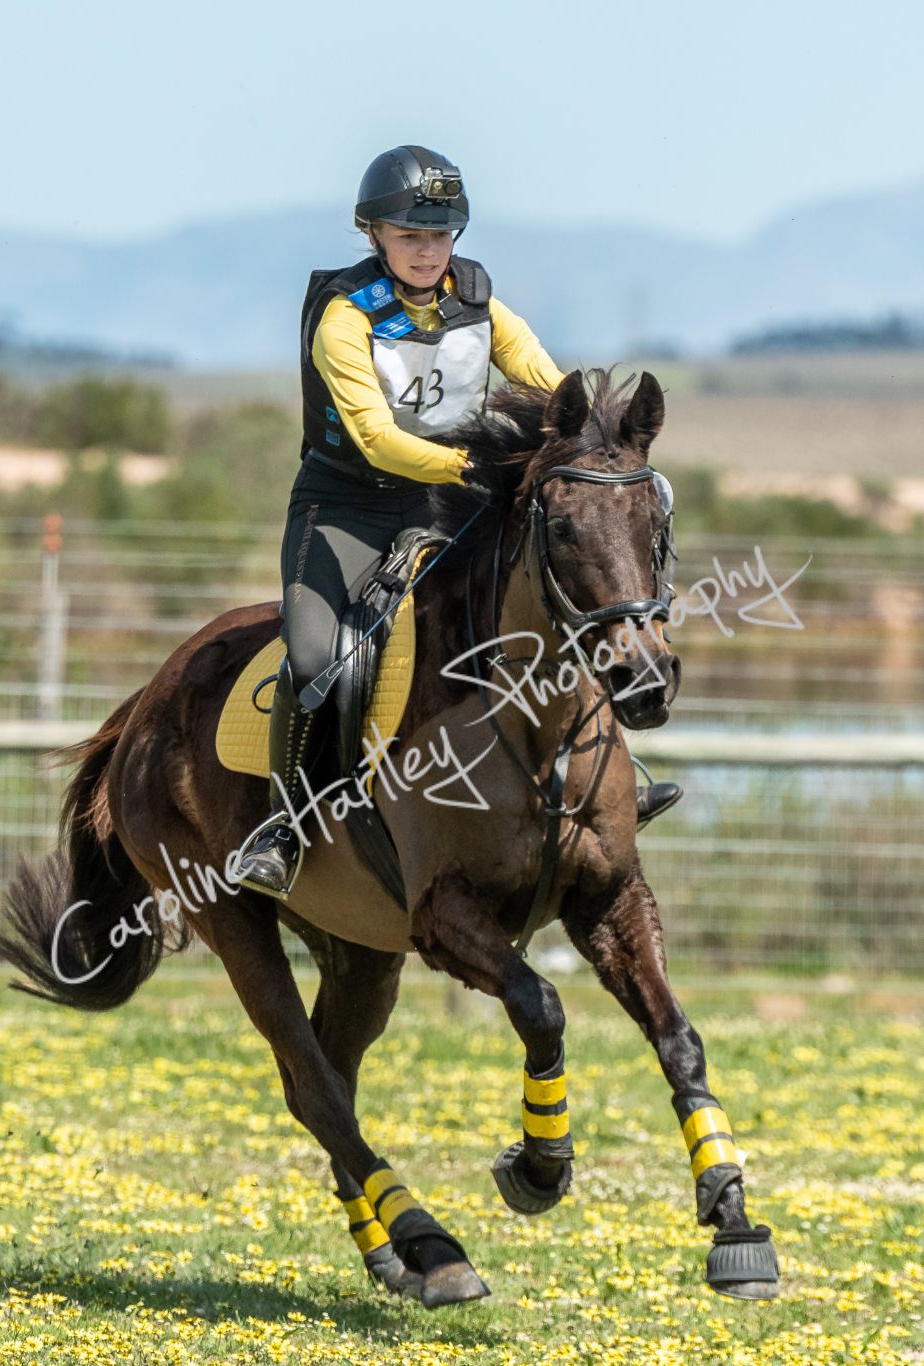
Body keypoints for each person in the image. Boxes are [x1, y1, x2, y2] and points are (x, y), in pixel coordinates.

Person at [233, 144, 680, 900]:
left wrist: (595, 442)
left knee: (554, 603)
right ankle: (286, 823)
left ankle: (607, 777)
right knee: (314, 657)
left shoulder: (480, 304)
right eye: (410, 236)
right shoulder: (344, 318)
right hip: (348, 507)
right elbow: (377, 438)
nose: (427, 250)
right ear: (374, 234)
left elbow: (545, 379)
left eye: (440, 236)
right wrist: (470, 469)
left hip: (446, 500)